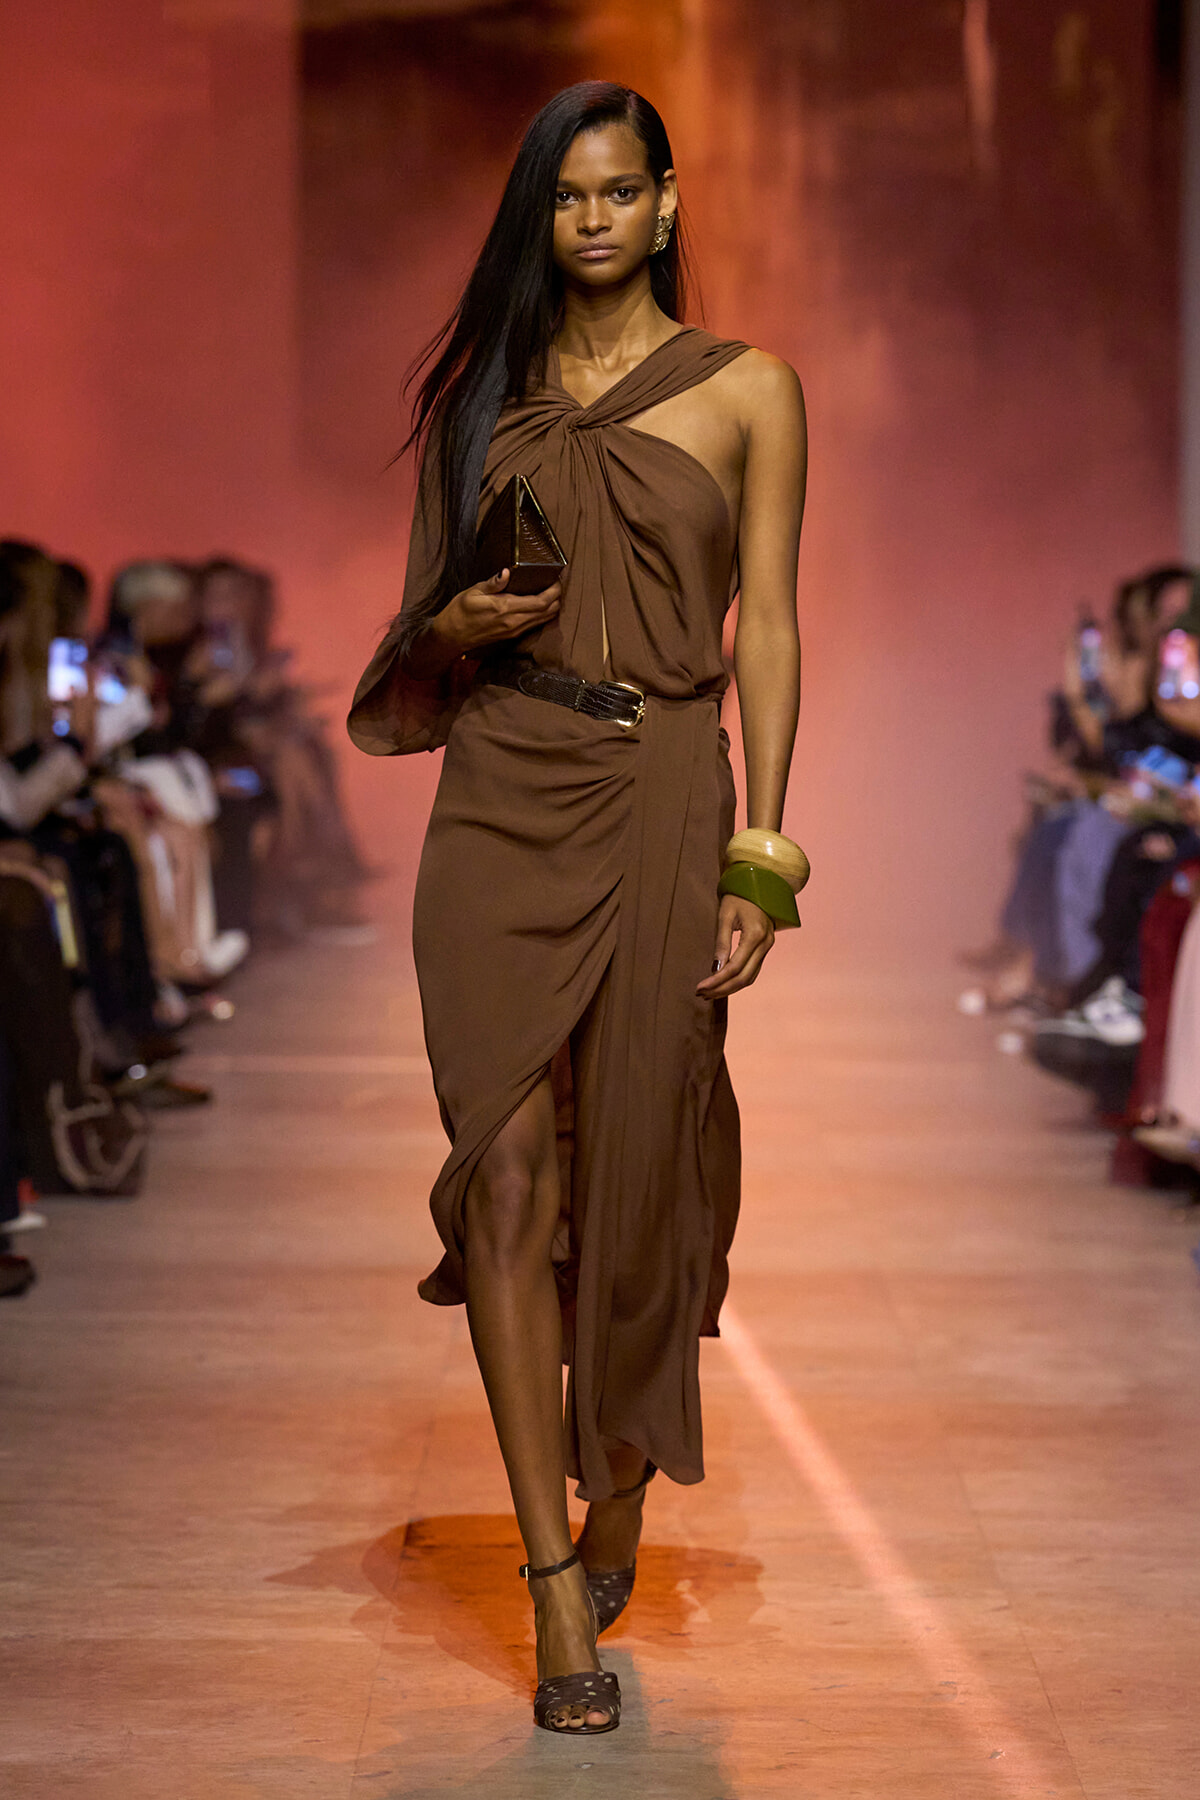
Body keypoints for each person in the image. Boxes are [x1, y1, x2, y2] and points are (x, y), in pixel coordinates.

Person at [348, 82, 807, 1735]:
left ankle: (618, 1489)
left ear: (670, 206)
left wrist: (766, 851)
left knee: (642, 1164)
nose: (594, 219)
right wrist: (465, 611)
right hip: (505, 784)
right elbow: (428, 626)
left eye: (621, 192)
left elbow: (766, 630)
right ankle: (555, 1585)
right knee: (507, 1166)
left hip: (674, 787)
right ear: (542, 217)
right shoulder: (487, 399)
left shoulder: (753, 391)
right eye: (567, 198)